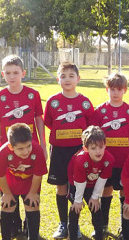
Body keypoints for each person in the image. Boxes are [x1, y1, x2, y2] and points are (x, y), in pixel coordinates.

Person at [0, 55, 47, 237]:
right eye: (8, 73)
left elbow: (39, 119)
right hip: (9, 150)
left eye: (15, 72)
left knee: (31, 186)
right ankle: (14, 225)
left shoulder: (33, 94)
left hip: (30, 149)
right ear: (2, 74)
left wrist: (43, 144)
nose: (12, 76)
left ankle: (31, 229)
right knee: (10, 188)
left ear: (23, 73)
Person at [44, 61, 94, 238]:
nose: (67, 79)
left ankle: (74, 225)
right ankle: (62, 223)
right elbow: (49, 123)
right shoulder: (53, 101)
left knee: (76, 187)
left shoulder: (85, 102)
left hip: (78, 151)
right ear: (58, 79)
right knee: (61, 188)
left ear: (78, 79)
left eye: (71, 76)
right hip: (59, 150)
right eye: (63, 76)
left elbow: (89, 126)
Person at [89, 72, 129, 236]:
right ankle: (103, 225)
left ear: (125, 90)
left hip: (125, 161)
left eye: (119, 89)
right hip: (105, 162)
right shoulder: (100, 111)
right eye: (112, 89)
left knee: (125, 192)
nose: (116, 92)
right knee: (106, 191)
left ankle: (125, 227)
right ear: (107, 90)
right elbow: (94, 137)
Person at [0, 123, 47, 240]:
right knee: (7, 206)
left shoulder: (37, 150)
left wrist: (33, 193)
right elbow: (0, 175)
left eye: (28, 146)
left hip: (30, 184)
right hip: (10, 184)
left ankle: (33, 237)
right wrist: (6, 194)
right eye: (20, 148)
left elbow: (38, 175)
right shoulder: (3, 152)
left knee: (32, 205)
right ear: (11, 147)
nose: (26, 151)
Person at [67, 126, 115, 240]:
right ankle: (72, 236)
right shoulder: (80, 160)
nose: (98, 151)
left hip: (92, 184)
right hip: (76, 183)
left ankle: (99, 236)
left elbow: (103, 178)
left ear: (105, 145)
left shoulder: (109, 159)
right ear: (85, 148)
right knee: (75, 209)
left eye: (100, 147)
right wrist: (78, 200)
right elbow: (80, 181)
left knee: (95, 208)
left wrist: (95, 197)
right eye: (93, 148)